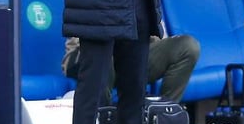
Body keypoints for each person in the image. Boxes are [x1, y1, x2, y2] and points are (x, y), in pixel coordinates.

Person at [62, 34, 200, 104]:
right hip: (87, 54)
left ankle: (162, 117)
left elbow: (157, 35)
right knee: (103, 52)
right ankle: (104, 122)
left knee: (187, 47)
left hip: (133, 54)